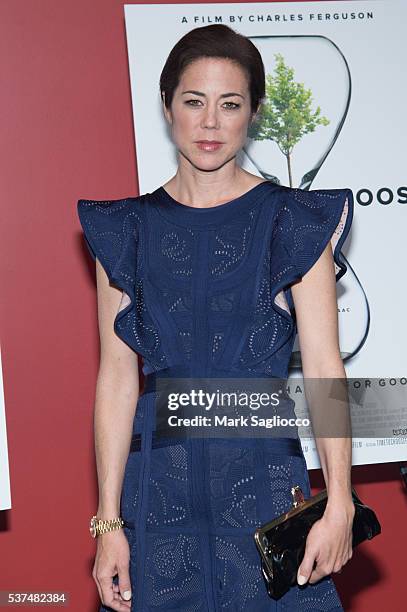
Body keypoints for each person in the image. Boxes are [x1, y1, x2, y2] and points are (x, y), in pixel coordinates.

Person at [77, 24, 355, 612]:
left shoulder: (292, 222)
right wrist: (108, 524)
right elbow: (117, 379)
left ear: (252, 113)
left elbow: (326, 372)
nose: (209, 123)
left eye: (229, 104)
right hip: (155, 500)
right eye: (193, 102)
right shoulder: (125, 230)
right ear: (167, 107)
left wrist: (341, 503)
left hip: (265, 494)